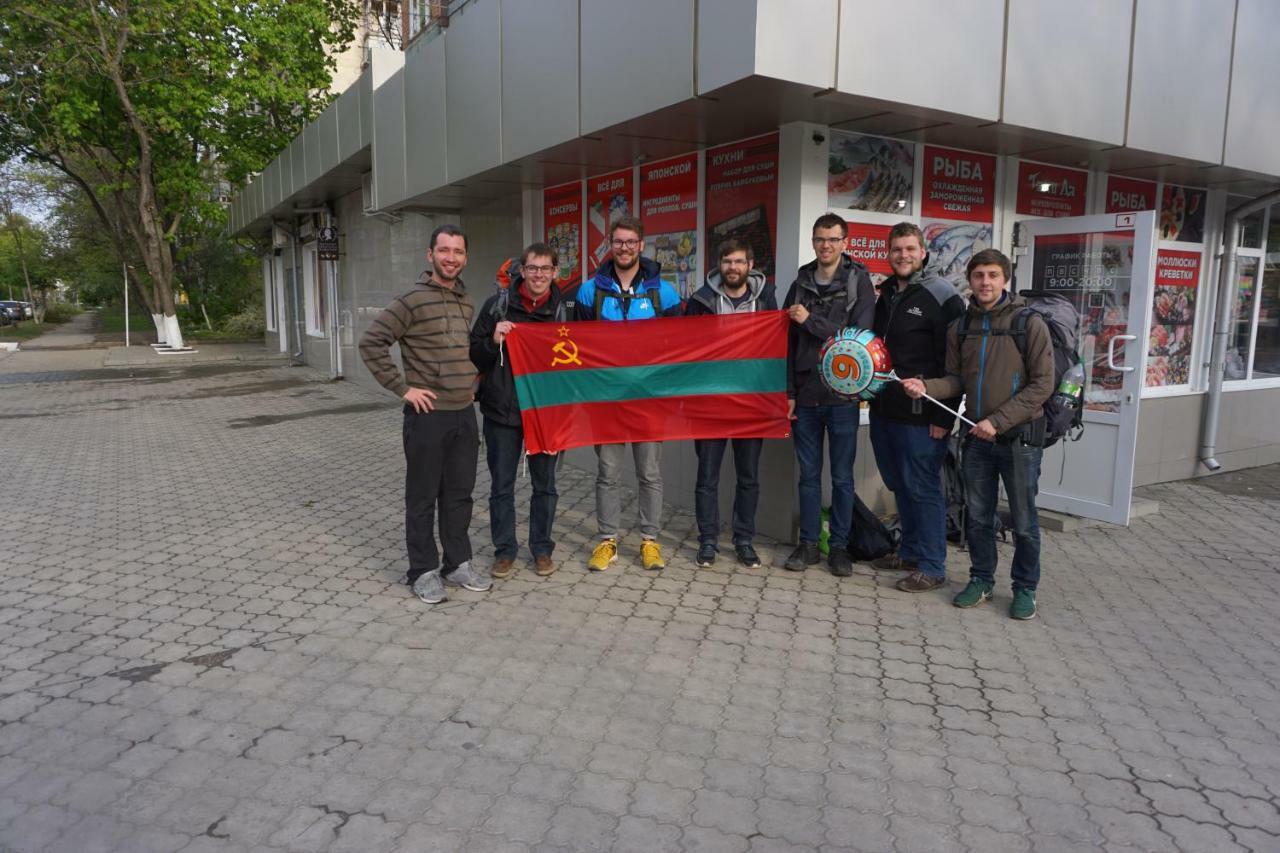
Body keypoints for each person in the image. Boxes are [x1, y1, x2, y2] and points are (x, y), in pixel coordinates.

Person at [902, 248, 1054, 619]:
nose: (985, 282)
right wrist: (926, 387)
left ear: (1005, 280)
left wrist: (998, 422)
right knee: (979, 518)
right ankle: (981, 579)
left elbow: (1043, 384)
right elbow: (956, 380)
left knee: (1023, 520)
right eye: (978, 275)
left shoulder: (1028, 323)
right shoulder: (962, 327)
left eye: (992, 275)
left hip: (1019, 439)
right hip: (976, 438)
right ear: (969, 280)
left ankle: (1024, 588)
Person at [358, 224, 491, 604]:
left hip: (464, 414)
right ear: (429, 254)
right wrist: (403, 388)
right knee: (422, 497)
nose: (452, 258)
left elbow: (462, 351)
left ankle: (457, 563)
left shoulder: (466, 302)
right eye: (444, 250)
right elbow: (372, 343)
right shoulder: (411, 300)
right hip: (428, 416)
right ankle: (422, 570)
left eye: (458, 252)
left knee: (460, 495)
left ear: (466, 258)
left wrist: (472, 380)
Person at [574, 215, 682, 571]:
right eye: (618, 242)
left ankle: (650, 541)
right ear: (610, 244)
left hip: (649, 399)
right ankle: (608, 540)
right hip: (607, 399)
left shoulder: (662, 292)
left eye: (630, 242)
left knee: (649, 473)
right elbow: (576, 345)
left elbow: (680, 345)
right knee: (607, 472)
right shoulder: (590, 290)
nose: (624, 248)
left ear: (641, 245)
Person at [868, 222, 965, 593]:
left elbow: (954, 365)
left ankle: (932, 565)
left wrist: (944, 416)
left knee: (923, 489)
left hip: (923, 417)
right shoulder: (887, 293)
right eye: (896, 250)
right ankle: (908, 552)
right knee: (900, 486)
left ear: (923, 252)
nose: (903, 256)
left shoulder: (943, 296)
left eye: (910, 249)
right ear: (889, 253)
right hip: (884, 409)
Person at [782, 213, 876, 576]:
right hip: (805, 396)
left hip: (842, 396)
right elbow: (787, 342)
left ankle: (839, 548)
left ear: (845, 242)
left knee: (841, 478)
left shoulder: (859, 282)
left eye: (833, 239)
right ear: (813, 241)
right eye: (820, 239)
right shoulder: (801, 281)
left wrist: (811, 321)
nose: (826, 245)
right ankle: (807, 546)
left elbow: (858, 338)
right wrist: (788, 391)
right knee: (807, 475)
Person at [469, 242, 568, 580]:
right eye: (532, 268)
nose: (539, 274)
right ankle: (505, 551)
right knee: (502, 486)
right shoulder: (498, 305)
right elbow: (473, 353)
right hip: (502, 410)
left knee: (546, 486)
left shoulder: (565, 308)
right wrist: (492, 340)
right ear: (522, 271)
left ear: (555, 272)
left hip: (546, 412)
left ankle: (541, 549)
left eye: (545, 269)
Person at [684, 238, 778, 569]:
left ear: (750, 265)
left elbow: (777, 351)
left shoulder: (767, 300)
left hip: (751, 403)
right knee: (706, 476)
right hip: (711, 401)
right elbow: (687, 350)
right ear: (719, 265)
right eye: (727, 262)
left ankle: (743, 540)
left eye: (739, 262)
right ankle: (708, 540)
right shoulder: (701, 300)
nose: (733, 268)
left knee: (748, 476)